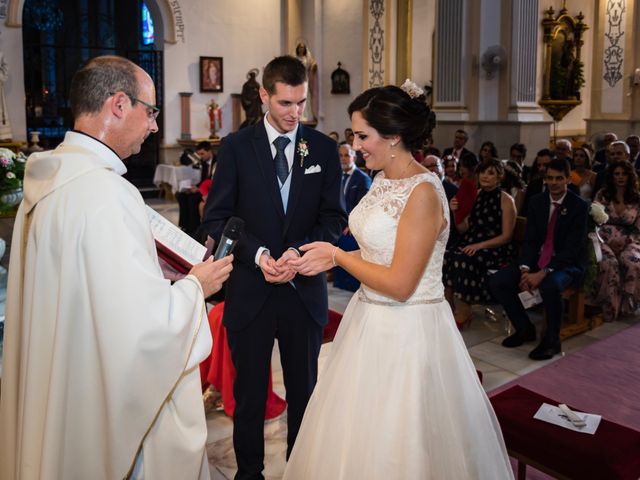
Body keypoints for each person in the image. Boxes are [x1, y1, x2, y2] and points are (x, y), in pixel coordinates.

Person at [0, 55, 234, 479]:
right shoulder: (107, 195)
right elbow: (145, 334)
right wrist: (194, 287)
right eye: (152, 112)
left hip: (63, 382)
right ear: (119, 104)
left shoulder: (49, 182)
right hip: (95, 398)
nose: (155, 126)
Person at [284, 84, 513, 479]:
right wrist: (315, 254)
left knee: (402, 443)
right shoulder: (385, 179)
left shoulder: (423, 192)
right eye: (354, 135)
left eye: (362, 136)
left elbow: (402, 283)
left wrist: (336, 256)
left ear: (392, 137)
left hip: (408, 330)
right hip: (369, 321)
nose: (355, 147)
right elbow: (379, 253)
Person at [198, 55, 346, 480]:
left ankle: (301, 469)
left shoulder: (320, 148)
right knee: (248, 397)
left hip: (304, 294)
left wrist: (298, 254)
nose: (295, 112)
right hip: (251, 291)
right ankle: (250, 473)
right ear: (264, 95)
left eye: (301, 102)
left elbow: (334, 217)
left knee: (305, 394)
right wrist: (260, 255)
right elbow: (217, 217)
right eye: (285, 103)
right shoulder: (236, 147)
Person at [490, 158, 588, 360]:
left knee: (550, 286)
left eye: (559, 178)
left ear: (568, 179)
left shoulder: (579, 206)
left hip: (566, 264)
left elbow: (572, 249)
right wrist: (526, 268)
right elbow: (531, 240)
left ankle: (552, 341)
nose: (553, 183)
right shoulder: (537, 201)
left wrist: (543, 273)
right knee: (498, 281)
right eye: (549, 178)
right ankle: (524, 328)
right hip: (536, 260)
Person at [444, 159, 516, 328]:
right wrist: (455, 213)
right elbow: (463, 229)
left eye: (490, 173)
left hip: (496, 248)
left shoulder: (506, 200)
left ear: (500, 177)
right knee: (446, 255)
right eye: (483, 172)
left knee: (464, 258)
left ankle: (464, 310)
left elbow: (506, 236)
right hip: (472, 242)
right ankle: (447, 306)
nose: (485, 176)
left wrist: (479, 246)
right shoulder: (475, 195)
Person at [590, 161, 640, 321]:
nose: (620, 177)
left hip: (630, 239)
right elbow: (593, 220)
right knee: (609, 264)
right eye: (616, 174)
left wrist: (628, 243)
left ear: (629, 176)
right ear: (611, 176)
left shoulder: (637, 197)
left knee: (632, 262)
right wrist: (607, 241)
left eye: (623, 174)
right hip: (602, 238)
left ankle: (627, 306)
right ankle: (609, 308)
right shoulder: (603, 194)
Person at [334, 142, 371, 291]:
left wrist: (352, 225)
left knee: (348, 251)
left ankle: (351, 287)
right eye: (341, 155)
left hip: (353, 228)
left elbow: (365, 206)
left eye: (347, 155)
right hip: (337, 225)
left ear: (354, 157)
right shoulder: (336, 176)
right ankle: (339, 284)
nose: (343, 159)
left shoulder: (363, 179)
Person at [176, 140, 215, 236]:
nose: (200, 157)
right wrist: (193, 187)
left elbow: (215, 181)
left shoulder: (218, 162)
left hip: (211, 191)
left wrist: (198, 189)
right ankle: (184, 225)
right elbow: (202, 179)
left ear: (210, 151)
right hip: (202, 188)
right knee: (181, 195)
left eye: (202, 154)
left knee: (193, 199)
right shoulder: (203, 162)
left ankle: (194, 228)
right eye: (199, 154)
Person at [294, 42, 319, 125]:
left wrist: (314, 66)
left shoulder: (307, 58)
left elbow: (312, 64)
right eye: (300, 47)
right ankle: (298, 115)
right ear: (298, 49)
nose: (301, 49)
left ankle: (307, 115)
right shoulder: (295, 58)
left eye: (302, 47)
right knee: (297, 98)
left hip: (305, 80)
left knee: (306, 98)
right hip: (297, 80)